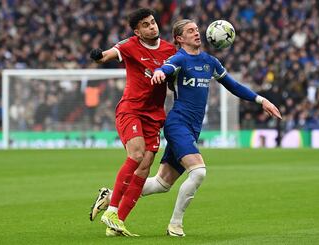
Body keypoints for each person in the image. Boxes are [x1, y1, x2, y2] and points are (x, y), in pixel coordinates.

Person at [90, 19, 281, 237]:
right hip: (177, 123)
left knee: (161, 183)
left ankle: (110, 196)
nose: (197, 33)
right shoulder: (179, 58)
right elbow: (167, 66)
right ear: (180, 38)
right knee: (198, 172)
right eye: (190, 31)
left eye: (197, 30)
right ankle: (175, 224)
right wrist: (161, 72)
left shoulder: (210, 62)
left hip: (193, 128)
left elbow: (233, 86)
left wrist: (261, 100)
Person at [89, 8, 176, 237]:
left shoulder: (169, 49)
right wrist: (98, 56)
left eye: (153, 22)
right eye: (146, 25)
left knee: (145, 166)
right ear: (137, 31)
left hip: (155, 116)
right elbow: (107, 55)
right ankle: (112, 209)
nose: (152, 27)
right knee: (136, 155)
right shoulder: (129, 45)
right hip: (131, 110)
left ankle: (116, 223)